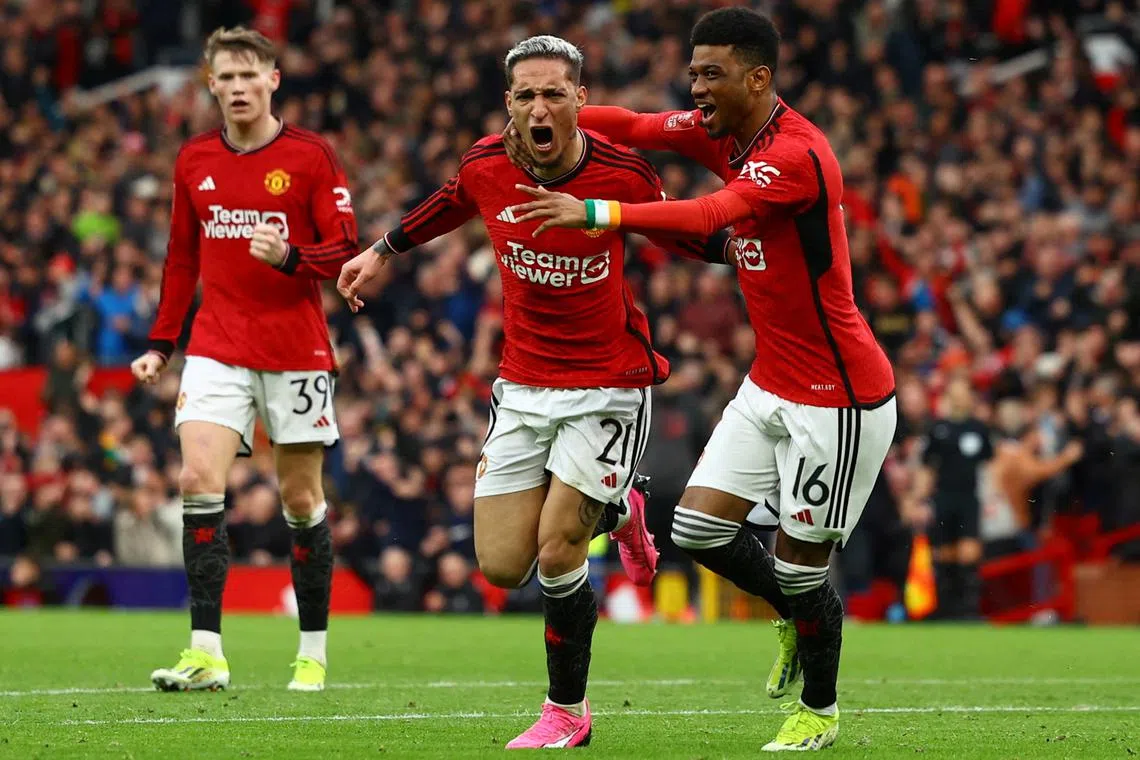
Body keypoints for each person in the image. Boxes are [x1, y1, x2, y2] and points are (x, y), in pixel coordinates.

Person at [505, 9, 897, 752]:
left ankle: (819, 709)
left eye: (710, 73)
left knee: (801, 563)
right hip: (772, 380)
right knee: (697, 529)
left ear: (758, 78)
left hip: (840, 397)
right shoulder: (723, 127)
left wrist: (600, 211)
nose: (695, 86)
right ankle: (798, 613)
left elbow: (718, 209)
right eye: (693, 72)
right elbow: (641, 124)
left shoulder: (798, 153)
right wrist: (555, 106)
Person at [337, 35, 727, 749]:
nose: (540, 108)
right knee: (501, 564)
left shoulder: (622, 174)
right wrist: (382, 250)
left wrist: (762, 232)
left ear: (581, 101)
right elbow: (450, 202)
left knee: (556, 552)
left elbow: (690, 237)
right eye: (526, 96)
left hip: (609, 384)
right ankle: (619, 507)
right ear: (508, 106)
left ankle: (567, 711)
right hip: (521, 386)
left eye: (554, 93)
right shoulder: (487, 164)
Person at [131, 26, 358, 693]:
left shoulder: (312, 157)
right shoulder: (193, 159)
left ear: (273, 80)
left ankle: (311, 651)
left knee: (300, 498)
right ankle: (206, 651)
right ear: (211, 84)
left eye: (247, 75)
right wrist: (160, 343)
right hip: (217, 345)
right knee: (198, 479)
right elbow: (181, 257)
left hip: (295, 349)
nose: (236, 87)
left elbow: (345, 249)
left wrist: (291, 257)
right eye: (224, 77)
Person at [914, 375, 994, 619]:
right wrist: (919, 500)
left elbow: (989, 466)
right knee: (944, 553)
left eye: (964, 392)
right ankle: (946, 611)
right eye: (955, 392)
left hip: (968, 499)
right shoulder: (938, 428)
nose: (960, 397)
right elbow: (927, 467)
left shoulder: (978, 428)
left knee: (969, 553)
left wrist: (993, 498)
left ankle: (969, 612)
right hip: (944, 498)